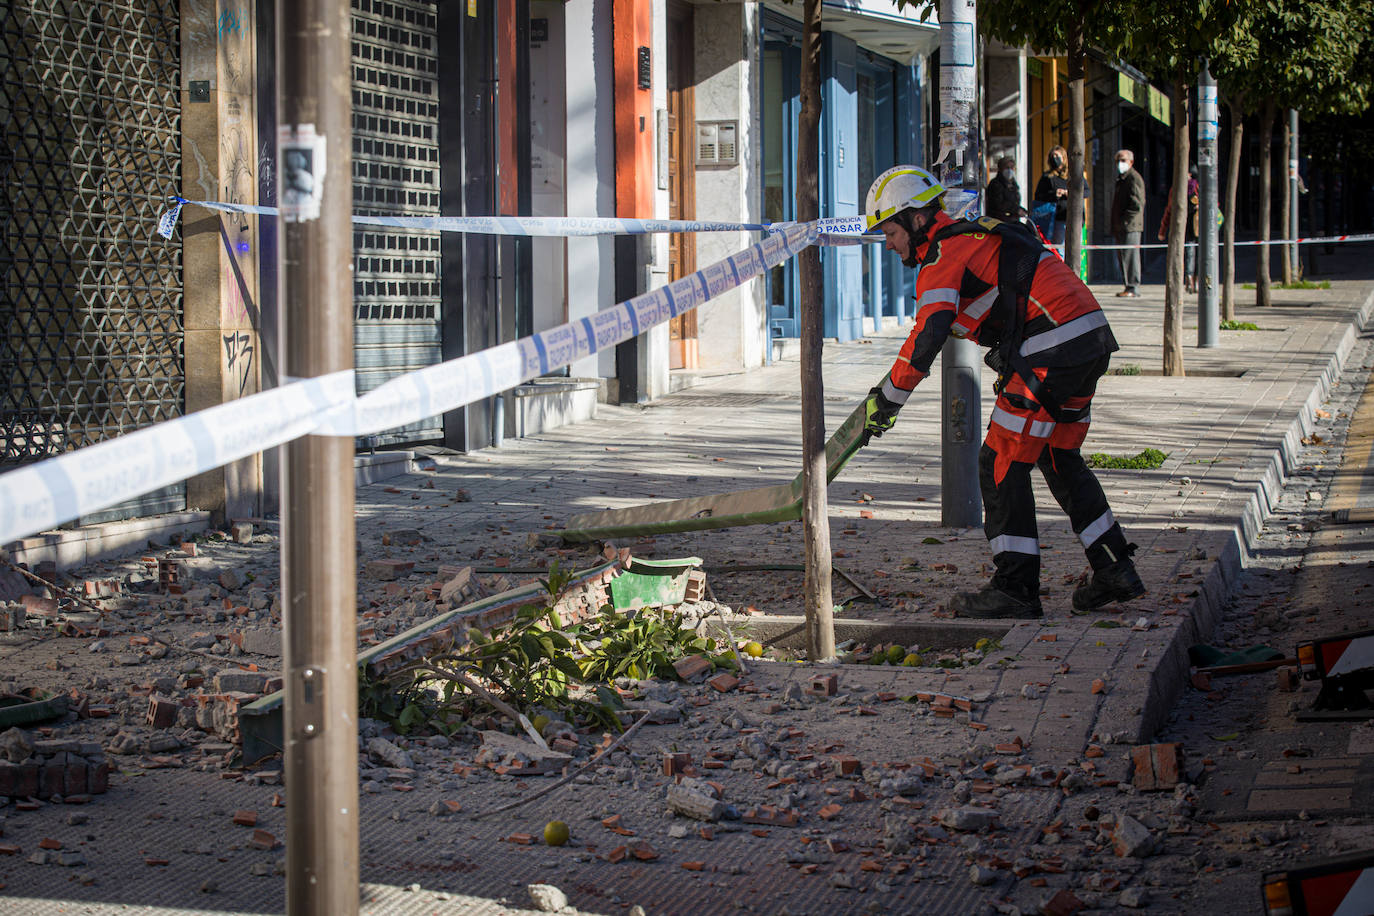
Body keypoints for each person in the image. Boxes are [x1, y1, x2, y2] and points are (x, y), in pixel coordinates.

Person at [859, 164, 1146, 619]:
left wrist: (885, 400)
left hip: (1053, 346)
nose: (889, 245)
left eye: (890, 232)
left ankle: (1015, 588)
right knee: (1058, 457)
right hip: (1088, 339)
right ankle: (1114, 569)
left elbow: (927, 336)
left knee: (999, 461)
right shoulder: (976, 235)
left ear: (916, 219)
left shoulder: (944, 254)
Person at [1158, 164, 1201, 293]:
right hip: (1199, 226)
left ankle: (1188, 278)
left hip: (1183, 226)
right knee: (1199, 253)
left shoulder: (1176, 188)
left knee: (1189, 252)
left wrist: (1162, 230)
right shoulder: (1200, 187)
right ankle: (1196, 281)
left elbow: (1169, 210)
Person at [1110, 149, 1145, 297]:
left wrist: (1125, 221)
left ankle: (1133, 287)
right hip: (1121, 225)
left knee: (1130, 255)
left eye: (1123, 160)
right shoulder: (1122, 178)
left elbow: (1137, 204)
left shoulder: (1133, 178)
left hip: (1130, 226)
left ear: (1131, 162)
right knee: (1123, 256)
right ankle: (1128, 286)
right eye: (1118, 160)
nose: (1120, 163)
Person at [1032, 146, 1069, 244]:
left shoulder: (1072, 175)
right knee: (1058, 247)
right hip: (1053, 217)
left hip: (1070, 216)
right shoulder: (1047, 177)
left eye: (1057, 156)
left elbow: (1086, 191)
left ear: (1064, 158)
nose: (1055, 158)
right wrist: (1054, 195)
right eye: (1053, 156)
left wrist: (1069, 193)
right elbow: (1039, 196)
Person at [985, 157, 1022, 221]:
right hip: (999, 221)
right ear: (1001, 169)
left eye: (1012, 168)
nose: (1010, 170)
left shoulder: (1013, 185)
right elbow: (998, 204)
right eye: (1007, 168)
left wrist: (1021, 210)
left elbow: (1015, 202)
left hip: (1013, 221)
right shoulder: (995, 184)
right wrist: (1016, 210)